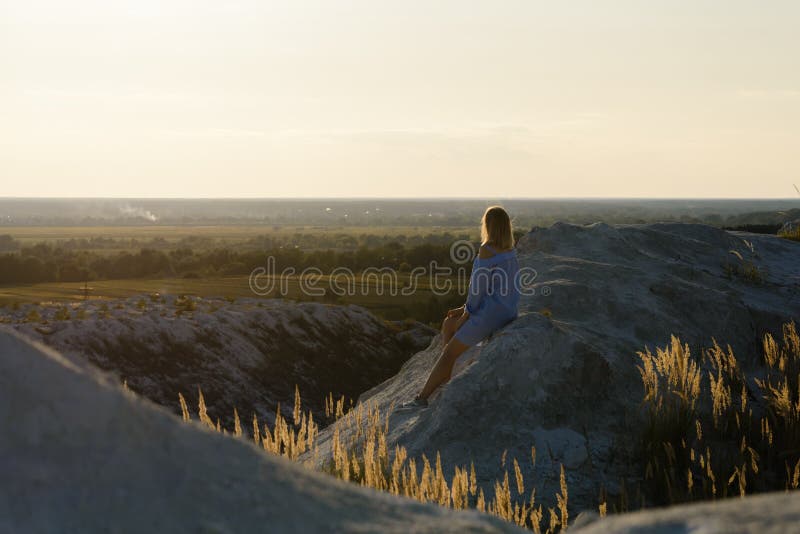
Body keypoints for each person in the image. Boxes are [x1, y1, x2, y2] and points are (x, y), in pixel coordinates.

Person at [403, 206, 520, 408]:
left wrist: (468, 312)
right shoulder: (510, 251)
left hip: (490, 315)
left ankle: (421, 399)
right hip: (508, 311)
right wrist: (462, 309)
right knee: (449, 323)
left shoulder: (487, 250)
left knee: (450, 352)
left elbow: (477, 289)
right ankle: (446, 378)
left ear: (488, 226)